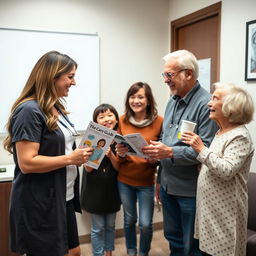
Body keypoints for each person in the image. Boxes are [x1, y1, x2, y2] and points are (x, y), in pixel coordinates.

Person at [3, 51, 93, 256]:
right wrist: (71, 158)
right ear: (53, 75)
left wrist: (79, 154)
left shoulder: (55, 107)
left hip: (64, 196)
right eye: (70, 77)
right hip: (41, 202)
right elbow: (27, 162)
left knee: (74, 251)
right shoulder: (29, 110)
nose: (74, 82)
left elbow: (59, 148)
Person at [142, 50, 218, 256]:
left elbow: (205, 151)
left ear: (189, 74)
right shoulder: (172, 100)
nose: (166, 80)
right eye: (164, 75)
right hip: (168, 186)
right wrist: (159, 176)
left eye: (170, 75)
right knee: (173, 240)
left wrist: (167, 152)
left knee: (192, 246)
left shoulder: (206, 104)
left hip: (190, 191)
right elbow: (166, 141)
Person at [181, 83, 254, 256]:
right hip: (211, 211)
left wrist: (200, 148)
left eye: (215, 98)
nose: (209, 103)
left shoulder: (240, 136)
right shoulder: (221, 132)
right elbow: (217, 163)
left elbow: (227, 170)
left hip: (226, 215)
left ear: (231, 106)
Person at [115, 82, 163, 256]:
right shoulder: (121, 120)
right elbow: (118, 151)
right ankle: (131, 252)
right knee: (129, 220)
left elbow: (161, 153)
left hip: (146, 182)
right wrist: (119, 152)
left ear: (149, 100)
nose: (136, 100)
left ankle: (143, 253)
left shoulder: (159, 122)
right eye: (133, 97)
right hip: (125, 180)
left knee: (145, 223)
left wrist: (154, 159)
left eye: (141, 97)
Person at [81, 103, 121, 256]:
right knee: (97, 228)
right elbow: (88, 168)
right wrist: (100, 149)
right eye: (101, 116)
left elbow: (119, 168)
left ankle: (109, 253)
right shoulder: (91, 139)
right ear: (96, 122)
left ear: (116, 119)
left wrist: (111, 154)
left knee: (110, 226)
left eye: (110, 115)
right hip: (94, 192)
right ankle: (98, 254)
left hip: (112, 192)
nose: (106, 119)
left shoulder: (121, 141)